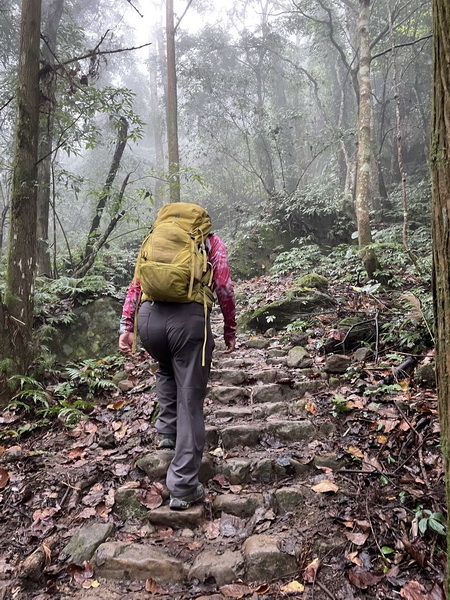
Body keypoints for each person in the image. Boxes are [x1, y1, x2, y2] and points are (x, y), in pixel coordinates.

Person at [118, 210, 236, 511]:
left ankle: (166, 434)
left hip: (149, 320)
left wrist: (127, 326)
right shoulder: (210, 242)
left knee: (166, 368)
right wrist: (229, 327)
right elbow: (223, 286)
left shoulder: (155, 240)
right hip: (188, 321)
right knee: (191, 397)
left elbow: (136, 283)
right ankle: (183, 486)